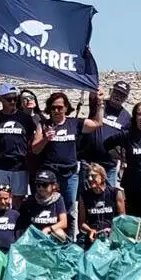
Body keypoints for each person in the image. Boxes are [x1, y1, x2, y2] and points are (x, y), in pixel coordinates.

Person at [35, 92, 104, 236]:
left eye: (60, 107)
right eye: (53, 108)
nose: (56, 111)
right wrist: (45, 139)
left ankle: (70, 239)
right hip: (51, 175)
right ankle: (51, 238)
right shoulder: (44, 125)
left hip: (70, 174)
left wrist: (100, 103)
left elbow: (97, 123)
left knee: (70, 208)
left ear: (66, 108)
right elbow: (35, 149)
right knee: (50, 206)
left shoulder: (75, 123)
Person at [0, 84, 40, 209]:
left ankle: (16, 227)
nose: (13, 102)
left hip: (19, 166)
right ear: (1, 99)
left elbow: (34, 139)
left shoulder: (26, 119)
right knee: (0, 200)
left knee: (18, 202)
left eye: (15, 98)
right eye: (9, 99)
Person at [77, 163, 123, 243]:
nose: (90, 179)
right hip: (92, 233)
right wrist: (90, 230)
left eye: (93, 176)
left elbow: (122, 219)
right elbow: (81, 224)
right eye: (88, 176)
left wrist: (112, 230)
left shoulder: (115, 193)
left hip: (112, 233)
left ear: (102, 177)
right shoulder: (84, 196)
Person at [18, 170, 69, 240]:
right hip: (34, 236)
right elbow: (23, 223)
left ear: (53, 186)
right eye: (38, 185)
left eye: (45, 185)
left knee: (59, 233)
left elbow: (64, 223)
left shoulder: (58, 199)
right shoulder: (30, 200)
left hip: (50, 234)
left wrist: (49, 229)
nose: (41, 188)